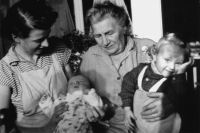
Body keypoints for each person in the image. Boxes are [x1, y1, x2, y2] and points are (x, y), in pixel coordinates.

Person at [80, 2, 193, 133]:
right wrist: (86, 104)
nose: (104, 42)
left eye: (109, 33)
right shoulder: (88, 57)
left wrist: (171, 103)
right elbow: (77, 89)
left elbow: (184, 91)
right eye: (98, 36)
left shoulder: (150, 49)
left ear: (124, 28)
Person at [0, 0, 103, 132]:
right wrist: (47, 128)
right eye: (38, 40)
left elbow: (77, 88)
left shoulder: (58, 50)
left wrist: (90, 107)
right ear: (16, 37)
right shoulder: (5, 69)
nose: (47, 44)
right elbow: (3, 124)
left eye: (47, 36)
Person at [119, 33, 193, 133]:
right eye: (167, 59)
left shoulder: (174, 79)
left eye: (178, 63)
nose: (171, 67)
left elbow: (180, 95)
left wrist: (180, 72)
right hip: (139, 128)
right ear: (154, 55)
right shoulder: (140, 70)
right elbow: (127, 86)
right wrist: (127, 109)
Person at [39, 74, 103, 133]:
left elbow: (97, 104)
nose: (76, 83)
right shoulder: (62, 99)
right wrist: (45, 103)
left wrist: (91, 93)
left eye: (81, 82)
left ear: (89, 87)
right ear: (67, 89)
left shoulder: (86, 97)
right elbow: (51, 112)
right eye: (71, 83)